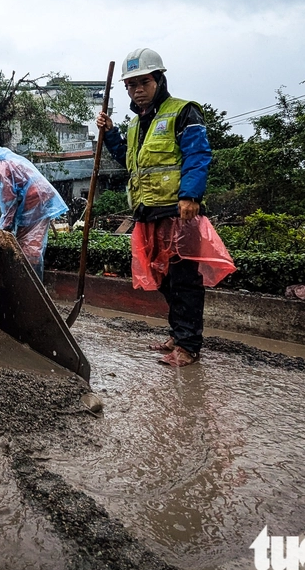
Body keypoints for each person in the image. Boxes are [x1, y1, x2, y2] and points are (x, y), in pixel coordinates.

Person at [97, 48, 234, 367]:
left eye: (142, 82)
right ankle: (178, 332)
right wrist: (109, 133)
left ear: (159, 79)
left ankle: (187, 346)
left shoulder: (183, 112)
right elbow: (128, 159)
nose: (136, 90)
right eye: (130, 85)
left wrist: (191, 195)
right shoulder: (135, 125)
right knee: (163, 279)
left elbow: (198, 155)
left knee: (184, 280)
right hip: (148, 214)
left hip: (179, 212)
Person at [0, 145, 68, 279]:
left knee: (28, 248)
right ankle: (27, 282)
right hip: (37, 200)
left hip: (35, 202)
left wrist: (4, 230)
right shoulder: (2, 164)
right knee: (26, 244)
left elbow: (9, 202)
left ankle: (30, 286)